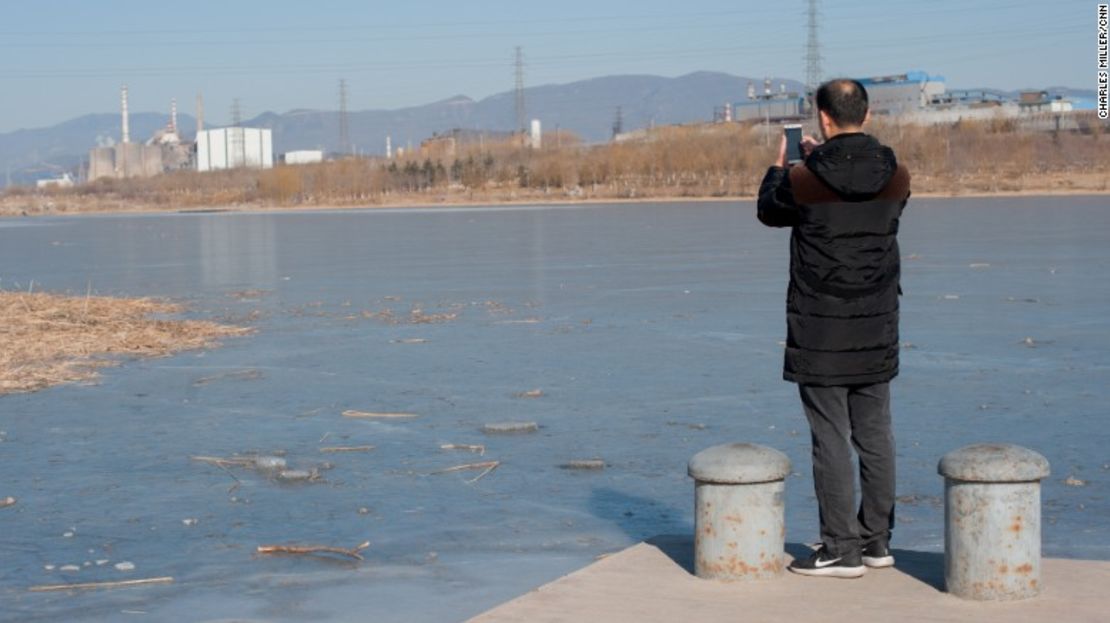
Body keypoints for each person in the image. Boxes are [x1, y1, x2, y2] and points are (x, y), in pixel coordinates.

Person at [756, 78, 911, 579]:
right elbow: (861, 203)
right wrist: (826, 161)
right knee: (875, 435)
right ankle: (876, 541)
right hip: (876, 324)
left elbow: (770, 210)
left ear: (822, 118)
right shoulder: (897, 175)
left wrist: (782, 163)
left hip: (821, 328)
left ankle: (840, 548)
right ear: (865, 116)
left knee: (830, 437)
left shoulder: (804, 177)